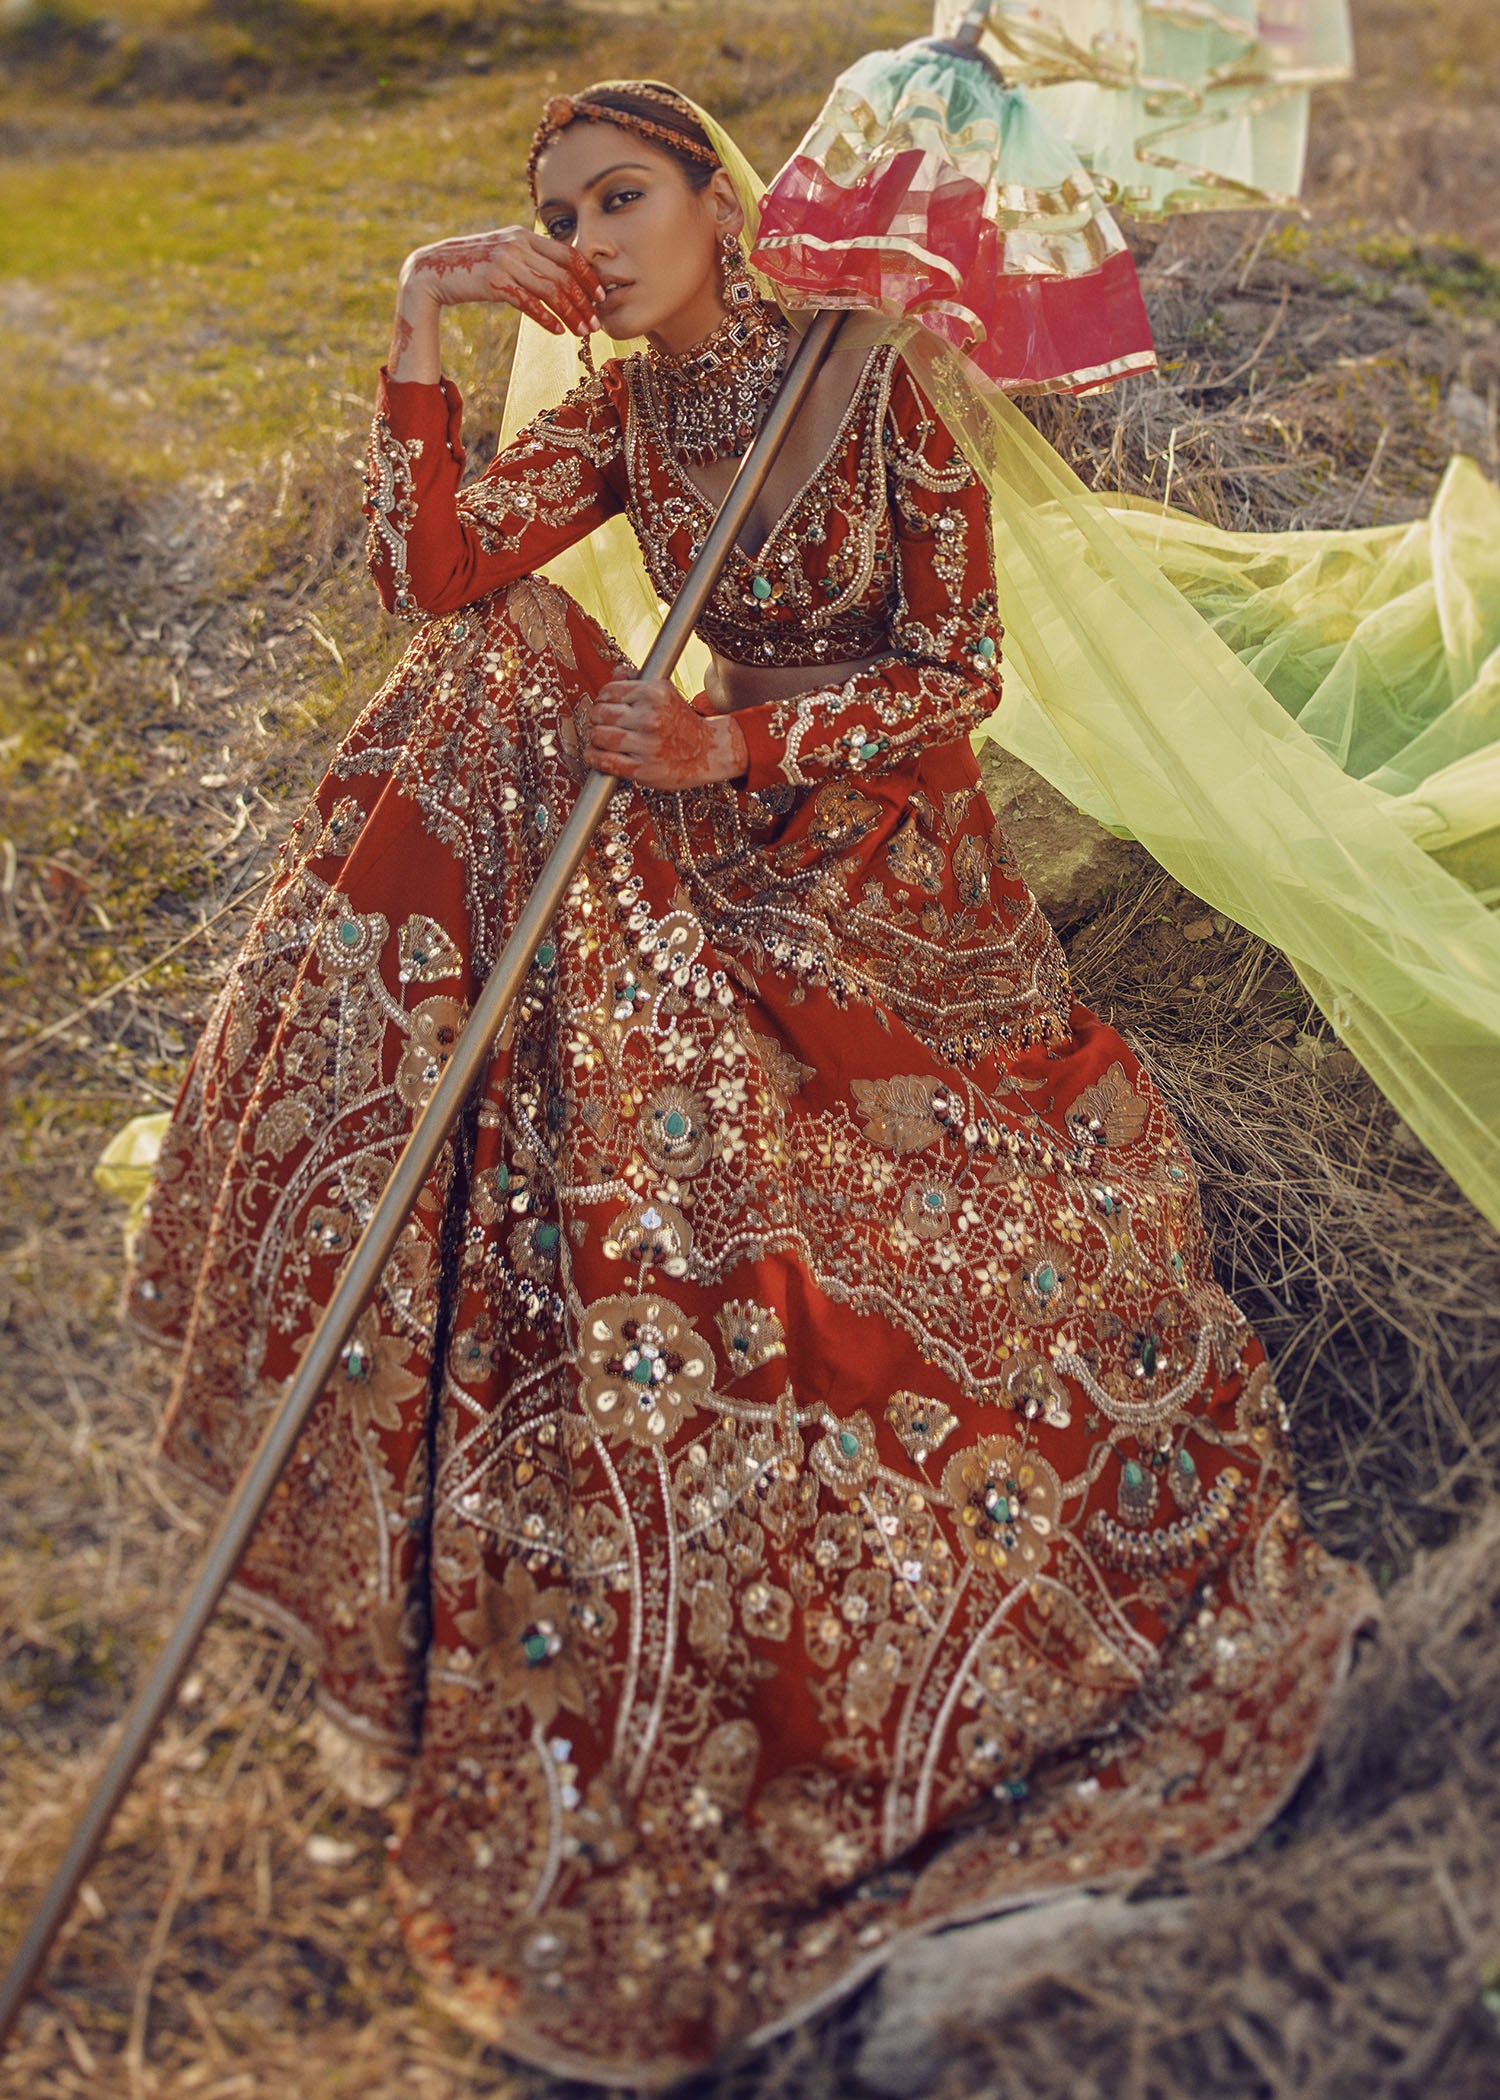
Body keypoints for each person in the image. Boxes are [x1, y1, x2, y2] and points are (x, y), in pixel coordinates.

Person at [126, 81, 1375, 2087]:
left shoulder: (866, 373)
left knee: (861, 1216)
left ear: (719, 199)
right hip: (709, 836)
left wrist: (731, 752)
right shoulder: (625, 417)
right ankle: (386, 1147)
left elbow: (961, 670)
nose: (588, 240)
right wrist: (420, 312)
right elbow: (430, 572)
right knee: (487, 672)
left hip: (890, 867)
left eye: (621, 196)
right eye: (553, 212)